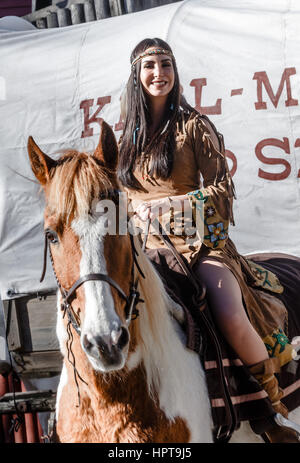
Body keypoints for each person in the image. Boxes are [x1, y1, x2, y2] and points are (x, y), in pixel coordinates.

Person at [118, 37, 298, 443]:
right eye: (150, 65)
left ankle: (271, 411)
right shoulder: (125, 141)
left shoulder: (193, 127)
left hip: (197, 245)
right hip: (145, 254)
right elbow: (119, 201)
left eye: (166, 64)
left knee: (228, 311)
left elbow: (222, 191)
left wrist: (170, 207)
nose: (159, 73)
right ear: (136, 75)